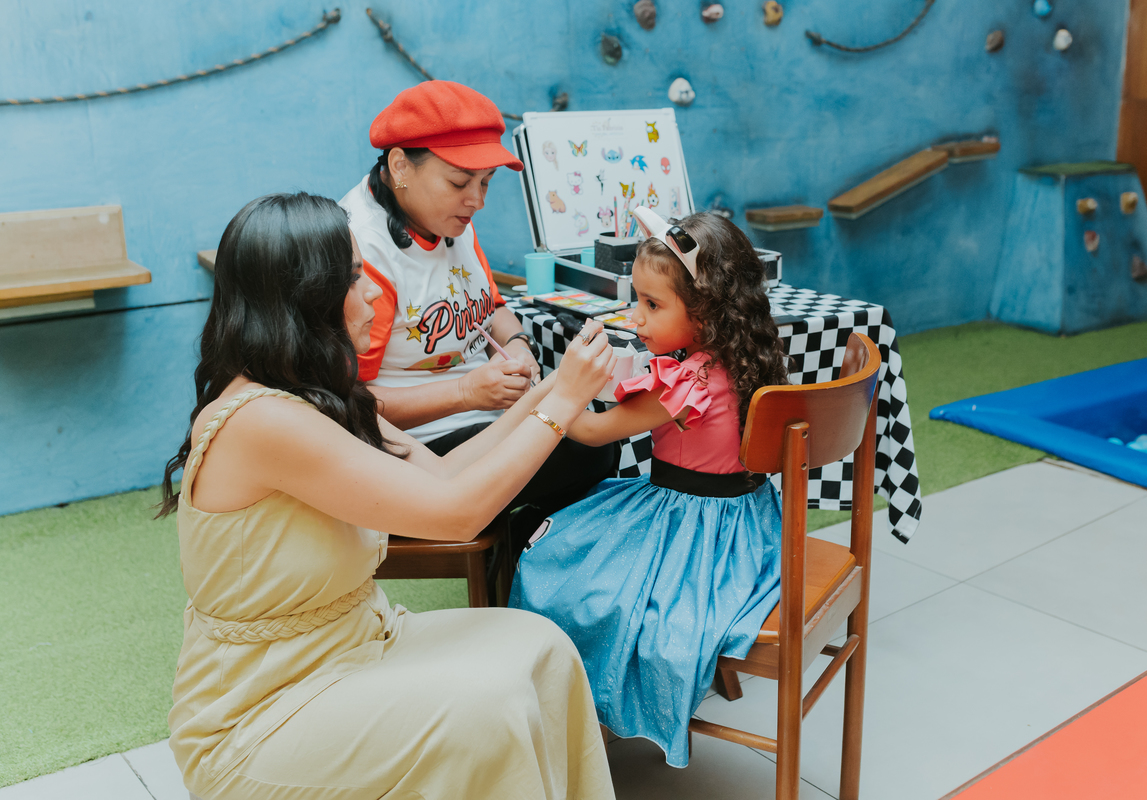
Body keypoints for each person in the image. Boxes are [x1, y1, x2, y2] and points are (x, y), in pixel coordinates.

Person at [158, 192, 617, 799]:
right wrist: (561, 407)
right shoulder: (261, 418)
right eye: (353, 277)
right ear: (307, 298)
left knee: (545, 648)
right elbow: (457, 514)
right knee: (486, 711)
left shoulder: (321, 394)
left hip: (358, 645)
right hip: (264, 709)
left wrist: (553, 388)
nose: (373, 292)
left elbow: (444, 475)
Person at [509, 208, 792, 768]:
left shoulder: (683, 382)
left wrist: (555, 386)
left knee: (553, 565)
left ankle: (584, 710)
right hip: (748, 522)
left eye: (651, 305)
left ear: (707, 311)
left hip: (692, 530)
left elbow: (590, 431)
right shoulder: (741, 359)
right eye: (636, 299)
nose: (634, 318)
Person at [339, 80, 616, 528]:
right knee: (586, 447)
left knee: (592, 428)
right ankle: (517, 551)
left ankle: (520, 550)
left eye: (486, 183)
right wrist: (467, 392)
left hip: (485, 416)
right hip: (416, 445)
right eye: (459, 181)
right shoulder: (363, 253)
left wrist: (520, 345)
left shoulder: (450, 219)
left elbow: (492, 308)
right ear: (400, 166)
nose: (477, 201)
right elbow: (348, 401)